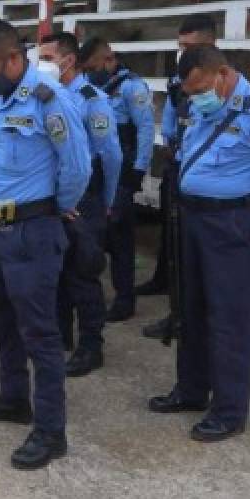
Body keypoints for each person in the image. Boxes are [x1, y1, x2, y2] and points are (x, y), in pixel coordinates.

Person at [148, 45, 250, 442]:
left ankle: (230, 410)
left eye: (200, 88)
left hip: (231, 221)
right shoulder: (205, 107)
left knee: (230, 319)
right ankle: (192, 390)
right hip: (193, 218)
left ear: (223, 74)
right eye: (190, 91)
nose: (196, 96)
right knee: (191, 307)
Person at [0, 18, 91, 469]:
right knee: (2, 322)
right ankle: (13, 398)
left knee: (40, 333)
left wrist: (58, 208)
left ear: (14, 59)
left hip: (32, 231)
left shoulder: (48, 99)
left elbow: (77, 166)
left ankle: (51, 430)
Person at [38, 32, 123, 376]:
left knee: (83, 273)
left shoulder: (91, 99)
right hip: (53, 195)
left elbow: (111, 154)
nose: (40, 64)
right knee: (56, 270)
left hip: (84, 197)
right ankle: (61, 336)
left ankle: (92, 345)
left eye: (46, 57)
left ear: (68, 60)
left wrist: (109, 199)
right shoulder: (44, 95)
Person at [141, 14, 217, 340]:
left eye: (190, 46)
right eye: (180, 46)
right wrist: (172, 143)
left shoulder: (219, 79)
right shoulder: (178, 78)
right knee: (173, 239)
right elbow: (172, 116)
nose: (183, 52)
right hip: (179, 166)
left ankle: (194, 318)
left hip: (206, 176)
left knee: (195, 253)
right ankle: (177, 312)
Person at [81, 37, 154, 322]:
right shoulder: (92, 87)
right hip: (97, 169)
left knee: (119, 236)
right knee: (98, 233)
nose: (91, 72)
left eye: (94, 66)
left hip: (123, 169)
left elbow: (146, 128)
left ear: (109, 60)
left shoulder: (132, 87)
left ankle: (125, 298)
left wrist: (139, 169)